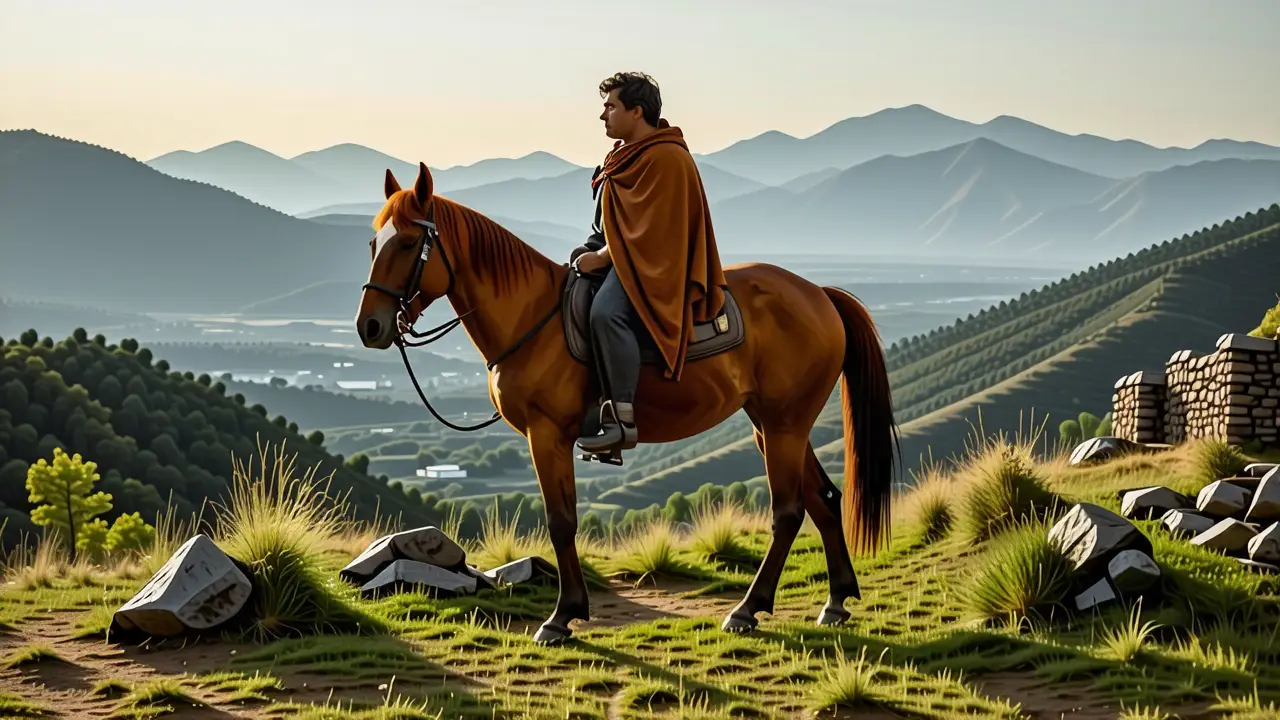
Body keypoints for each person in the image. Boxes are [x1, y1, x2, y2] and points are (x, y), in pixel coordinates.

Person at [571, 71, 727, 454]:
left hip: (656, 267)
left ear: (636, 111)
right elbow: (607, 227)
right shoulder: (619, 160)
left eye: (610, 106)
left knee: (606, 314)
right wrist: (585, 254)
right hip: (622, 260)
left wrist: (603, 258)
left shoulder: (668, 159)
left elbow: (657, 233)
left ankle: (621, 419)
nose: (602, 115)